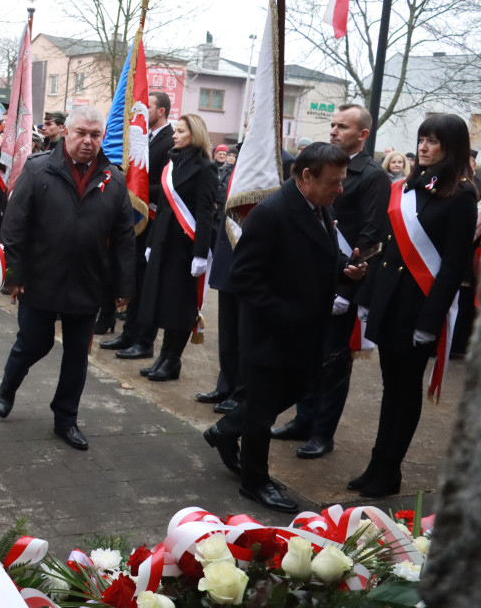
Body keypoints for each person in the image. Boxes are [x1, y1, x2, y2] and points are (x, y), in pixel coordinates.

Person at [204, 142, 361, 512]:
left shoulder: (319, 206)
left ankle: (225, 431)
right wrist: (283, 312)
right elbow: (243, 277)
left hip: (305, 330)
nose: (340, 188)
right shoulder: (271, 213)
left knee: (296, 389)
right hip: (271, 332)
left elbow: (319, 253)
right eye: (334, 181)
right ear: (307, 176)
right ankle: (254, 481)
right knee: (261, 411)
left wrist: (344, 267)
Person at [351, 114, 478, 497]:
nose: (423, 147)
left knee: (406, 391)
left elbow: (453, 266)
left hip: (418, 308)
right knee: (391, 387)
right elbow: (387, 251)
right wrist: (369, 299)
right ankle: (377, 463)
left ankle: (389, 470)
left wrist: (430, 319)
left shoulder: (462, 195)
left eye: (434, 141)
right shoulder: (407, 188)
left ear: (451, 147)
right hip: (391, 302)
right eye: (422, 139)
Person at [0, 106, 135, 450]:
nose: (88, 141)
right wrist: (14, 274)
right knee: (33, 343)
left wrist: (124, 285)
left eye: (95, 135)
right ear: (67, 133)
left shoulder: (113, 180)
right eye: (81, 133)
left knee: (76, 356)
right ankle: (9, 384)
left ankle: (66, 419)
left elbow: (124, 238)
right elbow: (13, 226)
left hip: (87, 283)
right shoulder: (38, 169)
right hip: (40, 279)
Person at [273, 104, 390, 460]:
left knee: (334, 360)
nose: (334, 130)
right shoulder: (324, 164)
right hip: (313, 278)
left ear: (363, 135)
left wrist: (346, 288)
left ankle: (323, 432)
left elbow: (371, 235)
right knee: (308, 352)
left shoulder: (371, 175)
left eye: (343, 126)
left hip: (344, 280)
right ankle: (303, 420)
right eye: (333, 124)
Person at [136, 113, 218, 382]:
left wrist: (199, 253)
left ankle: (173, 360)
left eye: (181, 131)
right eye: (176, 130)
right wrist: (150, 243)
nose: (175, 134)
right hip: (163, 242)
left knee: (180, 307)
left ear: (194, 134)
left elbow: (205, 213)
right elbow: (162, 210)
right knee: (164, 303)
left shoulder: (205, 167)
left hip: (185, 247)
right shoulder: (172, 164)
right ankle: (163, 356)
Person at [100, 91, 174, 360]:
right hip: (135, 217)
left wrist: (137, 193)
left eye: (149, 107)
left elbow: (167, 185)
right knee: (131, 276)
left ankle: (144, 340)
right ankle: (128, 334)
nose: (143, 112)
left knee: (147, 283)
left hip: (153, 218)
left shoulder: (169, 141)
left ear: (161, 111)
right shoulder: (142, 136)